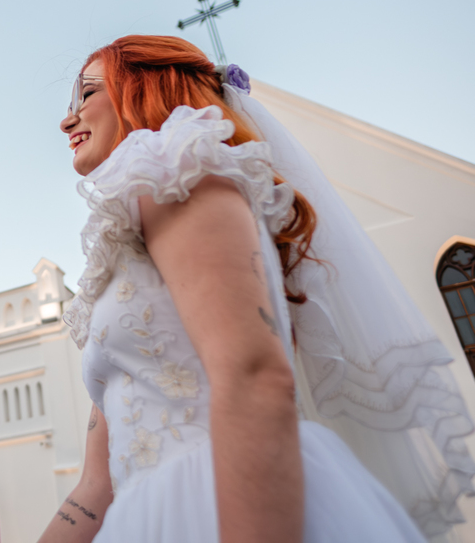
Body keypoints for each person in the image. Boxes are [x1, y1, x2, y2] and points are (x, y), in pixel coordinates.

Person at [39, 36, 475, 543]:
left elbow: (254, 376)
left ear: (141, 88)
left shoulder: (177, 174)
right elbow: (95, 488)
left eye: (87, 94)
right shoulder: (125, 240)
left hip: (225, 501)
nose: (67, 120)